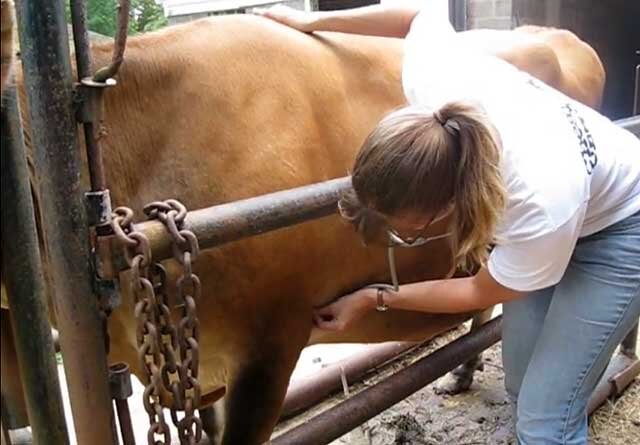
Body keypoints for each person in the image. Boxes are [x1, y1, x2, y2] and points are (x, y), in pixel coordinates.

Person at [257, 2, 640, 445]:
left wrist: (375, 297)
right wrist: (310, 22)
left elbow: (479, 290)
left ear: (446, 210)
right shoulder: (433, 84)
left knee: (545, 419)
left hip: (621, 230)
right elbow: (415, 16)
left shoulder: (536, 202)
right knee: (519, 385)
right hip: (568, 213)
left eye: (405, 233)